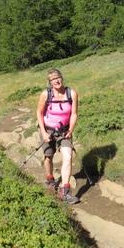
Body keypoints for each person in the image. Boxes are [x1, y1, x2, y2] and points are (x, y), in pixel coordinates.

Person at [36, 68, 80, 204]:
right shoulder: (46, 94)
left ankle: (65, 192)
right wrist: (43, 132)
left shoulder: (71, 93)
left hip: (64, 131)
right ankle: (50, 180)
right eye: (53, 79)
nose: (56, 80)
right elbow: (39, 112)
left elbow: (74, 114)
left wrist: (71, 130)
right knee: (48, 156)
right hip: (47, 130)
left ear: (62, 78)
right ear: (49, 82)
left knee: (68, 156)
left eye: (58, 77)